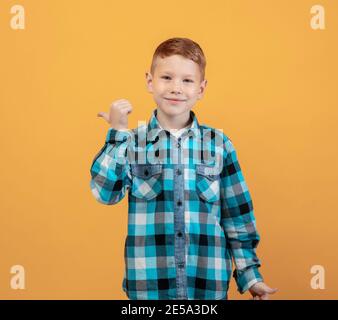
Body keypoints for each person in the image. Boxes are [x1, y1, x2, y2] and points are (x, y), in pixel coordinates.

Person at [90, 37, 278, 300]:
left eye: (187, 80)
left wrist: (250, 274)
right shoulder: (132, 142)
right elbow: (104, 192)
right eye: (166, 77)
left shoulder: (219, 145)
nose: (176, 88)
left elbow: (237, 216)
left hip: (206, 289)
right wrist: (118, 133)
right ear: (150, 82)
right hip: (149, 289)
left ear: (201, 88)